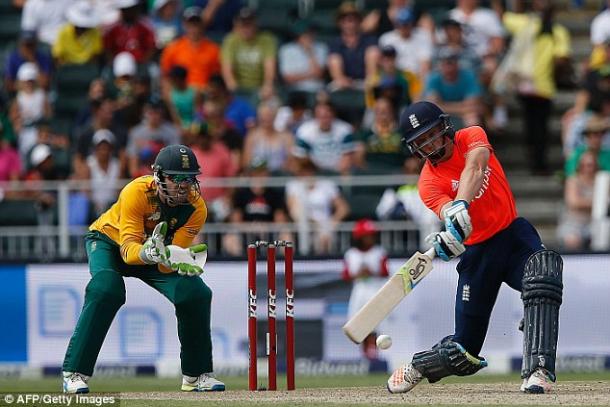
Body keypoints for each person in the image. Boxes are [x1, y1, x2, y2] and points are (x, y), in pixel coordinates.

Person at [387, 101, 563, 394]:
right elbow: (446, 214)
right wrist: (451, 231)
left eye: (431, 134)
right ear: (413, 148)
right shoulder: (427, 183)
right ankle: (418, 366)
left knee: (544, 278)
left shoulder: (471, 135)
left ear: (445, 127)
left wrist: (461, 203)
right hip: (478, 255)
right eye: (420, 141)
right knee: (463, 352)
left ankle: (538, 371)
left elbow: (477, 166)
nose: (429, 144)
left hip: (513, 236)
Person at [62, 144, 225, 394]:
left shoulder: (196, 208)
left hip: (155, 252)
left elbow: (166, 260)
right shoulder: (136, 192)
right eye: (176, 178)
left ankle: (196, 375)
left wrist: (177, 257)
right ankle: (74, 372)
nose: (183, 186)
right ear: (159, 176)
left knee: (195, 292)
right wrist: (147, 252)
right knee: (107, 288)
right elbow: (128, 252)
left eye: (189, 178)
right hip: (110, 242)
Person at [342, 219, 389, 360]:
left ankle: (373, 353)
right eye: (368, 235)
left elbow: (385, 272)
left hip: (374, 289)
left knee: (373, 323)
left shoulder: (379, 252)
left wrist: (371, 272)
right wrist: (358, 274)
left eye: (372, 235)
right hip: (359, 289)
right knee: (357, 323)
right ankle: (364, 355)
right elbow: (345, 275)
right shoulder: (351, 253)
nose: (371, 238)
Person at [557, 151, 597, 251]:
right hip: (574, 224)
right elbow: (574, 202)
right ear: (580, 166)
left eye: (590, 165)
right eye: (584, 165)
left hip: (595, 223)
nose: (587, 168)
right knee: (572, 240)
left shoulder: (601, 180)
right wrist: (597, 203)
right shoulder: (573, 180)